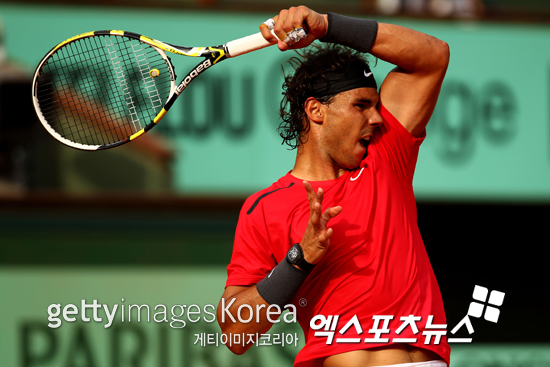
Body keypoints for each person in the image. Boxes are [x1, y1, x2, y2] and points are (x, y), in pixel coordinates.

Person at [217, 6, 450, 367]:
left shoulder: (387, 154)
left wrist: (327, 25)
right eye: (361, 105)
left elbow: (433, 55)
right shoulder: (263, 207)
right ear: (316, 111)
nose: (376, 118)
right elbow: (235, 333)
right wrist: (299, 260)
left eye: (376, 106)